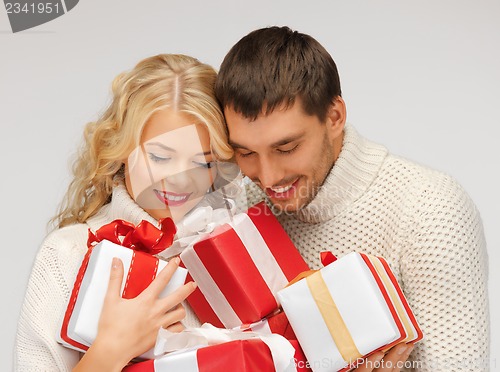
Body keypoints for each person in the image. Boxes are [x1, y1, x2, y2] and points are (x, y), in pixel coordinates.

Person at [215, 26, 489, 372]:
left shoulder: (430, 207)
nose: (267, 178)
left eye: (287, 148)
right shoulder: (238, 207)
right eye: (246, 153)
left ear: (335, 117)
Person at [14, 54, 235, 371]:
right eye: (160, 157)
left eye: (203, 163)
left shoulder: (227, 252)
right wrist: (112, 349)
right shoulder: (67, 253)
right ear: (121, 149)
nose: (181, 179)